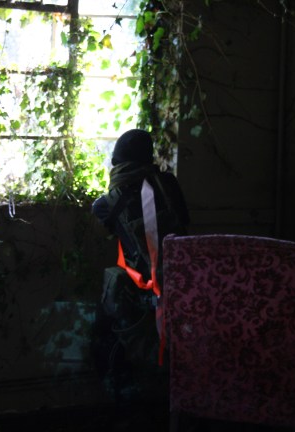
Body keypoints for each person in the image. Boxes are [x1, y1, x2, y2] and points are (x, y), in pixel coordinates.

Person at [91, 129, 189, 415]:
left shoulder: (106, 203)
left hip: (142, 292)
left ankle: (125, 406)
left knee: (104, 333)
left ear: (117, 162)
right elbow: (184, 221)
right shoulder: (169, 185)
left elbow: (107, 223)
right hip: (185, 286)